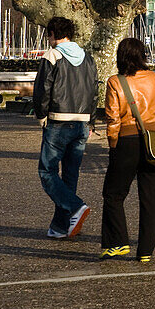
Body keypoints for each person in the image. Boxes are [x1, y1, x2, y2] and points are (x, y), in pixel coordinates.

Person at [100, 38, 155, 262]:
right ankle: (145, 251)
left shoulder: (115, 82)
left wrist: (113, 144)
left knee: (113, 194)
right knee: (150, 198)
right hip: (152, 140)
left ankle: (118, 242)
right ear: (143, 55)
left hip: (126, 141)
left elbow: (113, 119)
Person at [34, 16, 99, 240]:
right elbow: (94, 91)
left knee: (47, 171)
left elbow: (43, 88)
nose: (49, 39)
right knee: (70, 175)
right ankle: (61, 227)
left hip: (58, 120)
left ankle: (75, 207)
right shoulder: (88, 58)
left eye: (49, 35)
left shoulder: (52, 55)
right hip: (82, 122)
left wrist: (41, 115)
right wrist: (91, 121)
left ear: (52, 34)